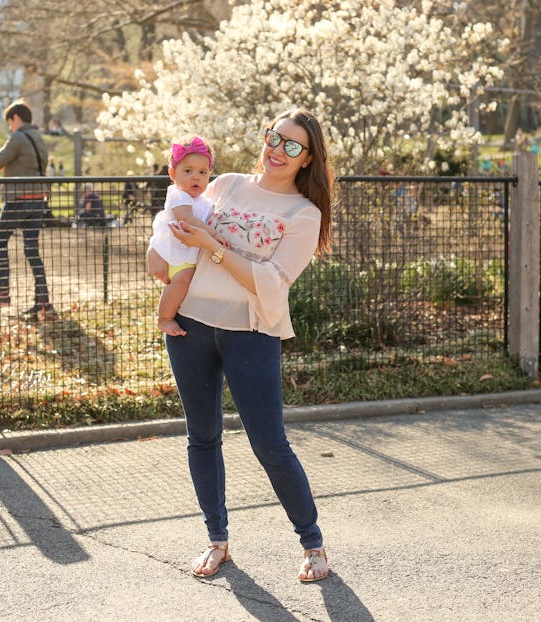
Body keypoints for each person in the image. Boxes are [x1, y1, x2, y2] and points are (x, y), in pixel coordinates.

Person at [148, 109, 334, 582]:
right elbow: (179, 231)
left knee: (270, 443)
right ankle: (217, 541)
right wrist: (161, 250)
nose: (278, 150)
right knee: (202, 436)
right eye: (275, 138)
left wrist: (214, 246)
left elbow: (271, 281)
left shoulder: (304, 214)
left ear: (308, 158)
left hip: (251, 331)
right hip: (190, 324)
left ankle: (312, 544)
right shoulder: (225, 183)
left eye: (292, 145)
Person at [0, 98, 54, 320]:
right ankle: (43, 301)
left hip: (18, 199)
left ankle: (3, 292)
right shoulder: (38, 137)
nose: (9, 126)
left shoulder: (18, 138)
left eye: (9, 122)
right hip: (38, 199)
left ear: (16, 118)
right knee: (32, 250)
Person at [147, 137, 225, 336]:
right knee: (182, 281)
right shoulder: (178, 195)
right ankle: (164, 319)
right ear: (172, 174)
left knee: (185, 283)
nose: (196, 177)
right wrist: (213, 234)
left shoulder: (203, 201)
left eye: (202, 172)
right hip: (173, 254)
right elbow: (187, 219)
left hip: (186, 255)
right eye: (188, 171)